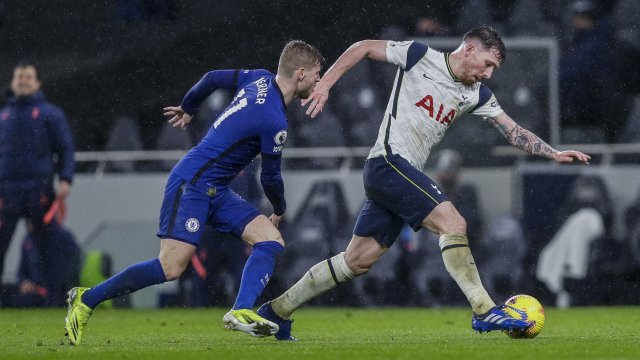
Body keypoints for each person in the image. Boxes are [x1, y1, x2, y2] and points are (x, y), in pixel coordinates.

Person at [256, 26, 591, 340]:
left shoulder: (476, 93)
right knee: (453, 223)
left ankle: (276, 310)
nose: (488, 73)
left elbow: (513, 131)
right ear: (470, 49)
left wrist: (553, 153)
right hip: (387, 162)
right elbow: (363, 48)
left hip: (397, 176)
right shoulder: (419, 56)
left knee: (356, 260)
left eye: (493, 70)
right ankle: (484, 309)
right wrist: (326, 83)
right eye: (487, 63)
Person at [64, 40, 325, 345]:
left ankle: (240, 310)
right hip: (193, 183)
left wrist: (189, 106)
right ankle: (87, 299)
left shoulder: (259, 77)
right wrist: (280, 208)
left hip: (216, 188)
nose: (320, 80)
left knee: (270, 240)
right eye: (318, 74)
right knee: (171, 267)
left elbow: (213, 77)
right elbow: (269, 176)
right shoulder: (274, 120)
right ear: (302, 74)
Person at [0, 62, 75, 283]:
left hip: (39, 190)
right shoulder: (3, 116)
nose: (23, 81)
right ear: (13, 82)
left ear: (37, 82)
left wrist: (65, 179)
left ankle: (56, 300)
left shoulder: (50, 114)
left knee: (49, 249)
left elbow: (66, 148)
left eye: (28, 77)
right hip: (6, 192)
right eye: (19, 77)